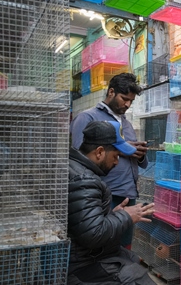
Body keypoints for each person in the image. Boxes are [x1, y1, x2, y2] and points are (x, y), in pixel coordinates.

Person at [67, 120, 156, 284]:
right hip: (82, 265)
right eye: (115, 156)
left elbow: (83, 222)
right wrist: (126, 216)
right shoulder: (84, 180)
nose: (116, 162)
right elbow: (93, 235)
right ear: (99, 152)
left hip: (86, 255)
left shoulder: (78, 169)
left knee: (135, 261)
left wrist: (110, 215)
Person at [70, 73, 148, 250]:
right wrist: (122, 148)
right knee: (101, 243)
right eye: (124, 98)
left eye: (131, 101)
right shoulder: (87, 117)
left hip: (128, 193)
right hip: (103, 194)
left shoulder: (126, 123)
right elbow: (80, 157)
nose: (127, 104)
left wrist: (140, 154)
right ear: (111, 92)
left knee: (123, 246)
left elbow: (137, 160)